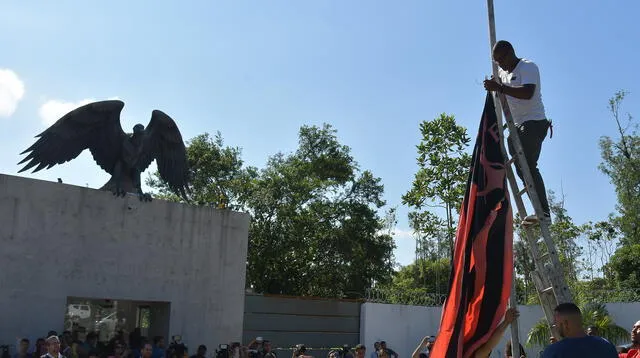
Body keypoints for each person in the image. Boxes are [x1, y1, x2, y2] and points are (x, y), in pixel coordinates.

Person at [483, 40, 552, 225]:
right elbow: (497, 84)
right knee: (521, 169)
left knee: (528, 165)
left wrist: (499, 88)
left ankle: (544, 212)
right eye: (496, 61)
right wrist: (492, 84)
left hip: (533, 123)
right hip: (517, 126)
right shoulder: (502, 74)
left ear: (510, 53)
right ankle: (539, 210)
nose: (499, 64)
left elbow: (527, 93)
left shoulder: (527, 67)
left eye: (500, 60)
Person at [540, 303, 617, 357]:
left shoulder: (553, 352)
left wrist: (558, 347)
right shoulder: (607, 345)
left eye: (556, 322)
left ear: (566, 324)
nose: (555, 326)